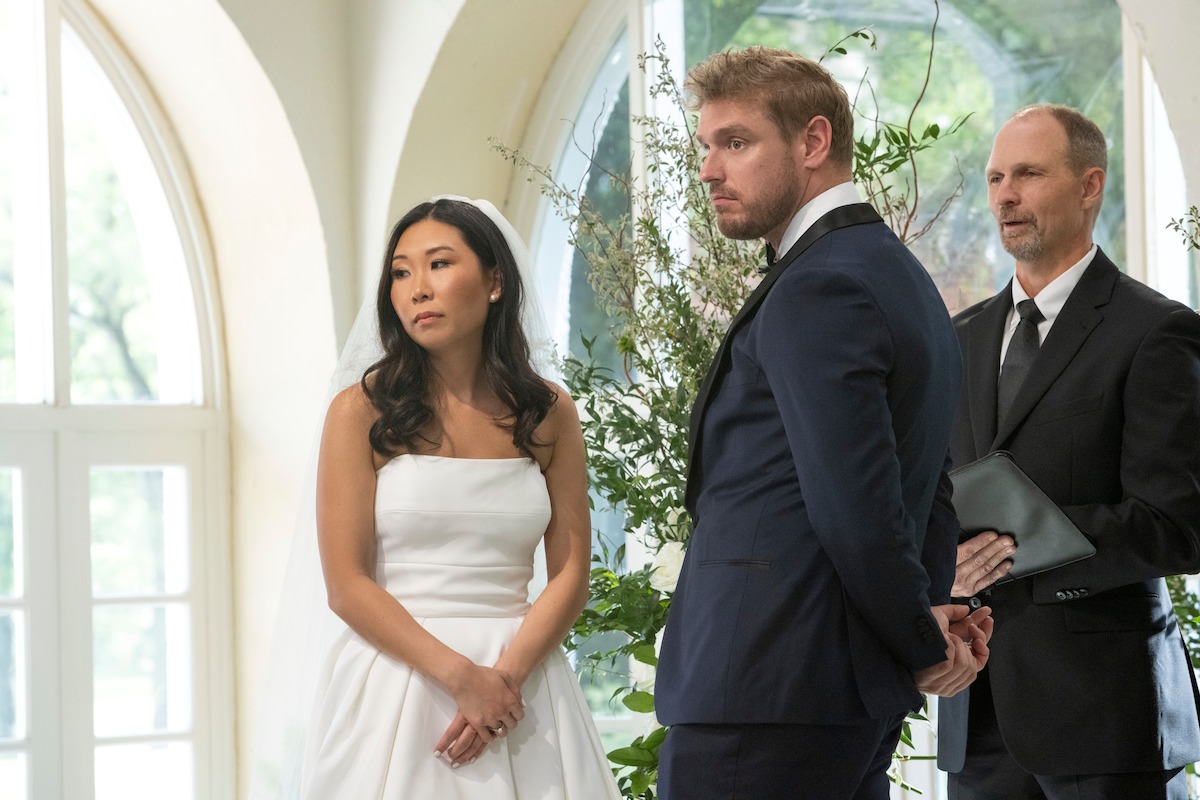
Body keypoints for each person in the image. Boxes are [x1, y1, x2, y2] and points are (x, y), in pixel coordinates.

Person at [653, 46, 992, 800]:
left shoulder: (821, 286)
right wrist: (930, 617)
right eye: (705, 146)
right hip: (837, 695)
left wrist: (919, 636)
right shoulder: (899, 277)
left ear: (812, 142)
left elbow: (856, 507)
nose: (709, 169)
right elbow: (926, 480)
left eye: (735, 143)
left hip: (765, 690)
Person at [297, 197, 621, 798]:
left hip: (523, 684)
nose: (417, 288)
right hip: (398, 687)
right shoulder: (357, 413)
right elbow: (346, 585)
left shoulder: (549, 413)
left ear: (495, 281)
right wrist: (461, 678)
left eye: (439, 264)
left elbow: (572, 570)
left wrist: (504, 680)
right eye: (401, 272)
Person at [938, 104, 1200, 799]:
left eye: (1028, 173)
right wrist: (946, 565)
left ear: (1090, 186)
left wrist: (1021, 551)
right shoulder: (955, 339)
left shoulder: (1158, 333)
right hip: (976, 714)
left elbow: (1178, 526)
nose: (1004, 195)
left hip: (1106, 717)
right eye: (995, 177)